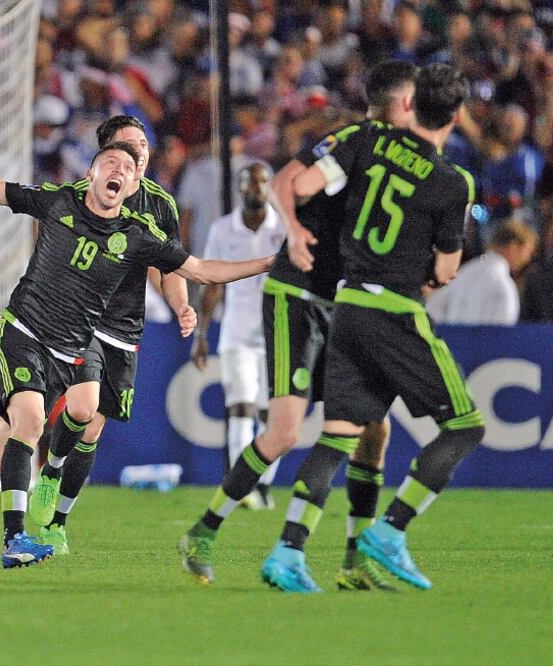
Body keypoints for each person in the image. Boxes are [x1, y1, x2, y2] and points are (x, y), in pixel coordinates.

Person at [0, 87, 273, 568]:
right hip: (24, 332)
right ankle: (17, 538)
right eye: (113, 159)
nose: (123, 166)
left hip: (74, 346)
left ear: (138, 178)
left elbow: (196, 270)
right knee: (38, 421)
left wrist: (270, 263)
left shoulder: (142, 231)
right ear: (90, 168)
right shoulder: (57, 201)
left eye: (133, 161)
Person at [178, 60, 419, 591]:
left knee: (373, 428)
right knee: (285, 431)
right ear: (403, 104)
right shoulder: (354, 144)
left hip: (345, 301)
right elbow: (291, 178)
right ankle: (205, 529)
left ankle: (354, 558)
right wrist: (292, 230)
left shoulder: (408, 159)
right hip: (299, 296)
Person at [260, 63, 484, 592]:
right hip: (394, 309)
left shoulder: (367, 142)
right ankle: (390, 530)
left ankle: (287, 553)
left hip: (346, 307)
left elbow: (308, 184)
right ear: (453, 115)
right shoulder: (453, 181)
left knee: (339, 435)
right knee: (465, 426)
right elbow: (447, 270)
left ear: (411, 105)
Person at [0, 115, 195, 558]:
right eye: (127, 145)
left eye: (143, 145)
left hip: (121, 329)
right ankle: (50, 482)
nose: (139, 152)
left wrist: (181, 305)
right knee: (81, 411)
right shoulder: (75, 197)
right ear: (101, 157)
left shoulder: (160, 206)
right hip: (71, 323)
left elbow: (171, 267)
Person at [191, 163, 284, 511]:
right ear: (240, 188)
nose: (255, 189)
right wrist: (201, 334)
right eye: (249, 183)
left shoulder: (285, 229)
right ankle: (240, 485)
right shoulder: (222, 229)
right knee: (240, 407)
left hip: (278, 332)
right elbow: (213, 281)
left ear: (270, 187)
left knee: (271, 415)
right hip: (237, 331)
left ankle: (263, 485)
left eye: (261, 183)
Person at [426, 220, 538, 325]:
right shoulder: (503, 284)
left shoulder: (463, 273)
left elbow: (432, 308)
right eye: (527, 252)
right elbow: (503, 333)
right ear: (513, 247)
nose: (527, 259)